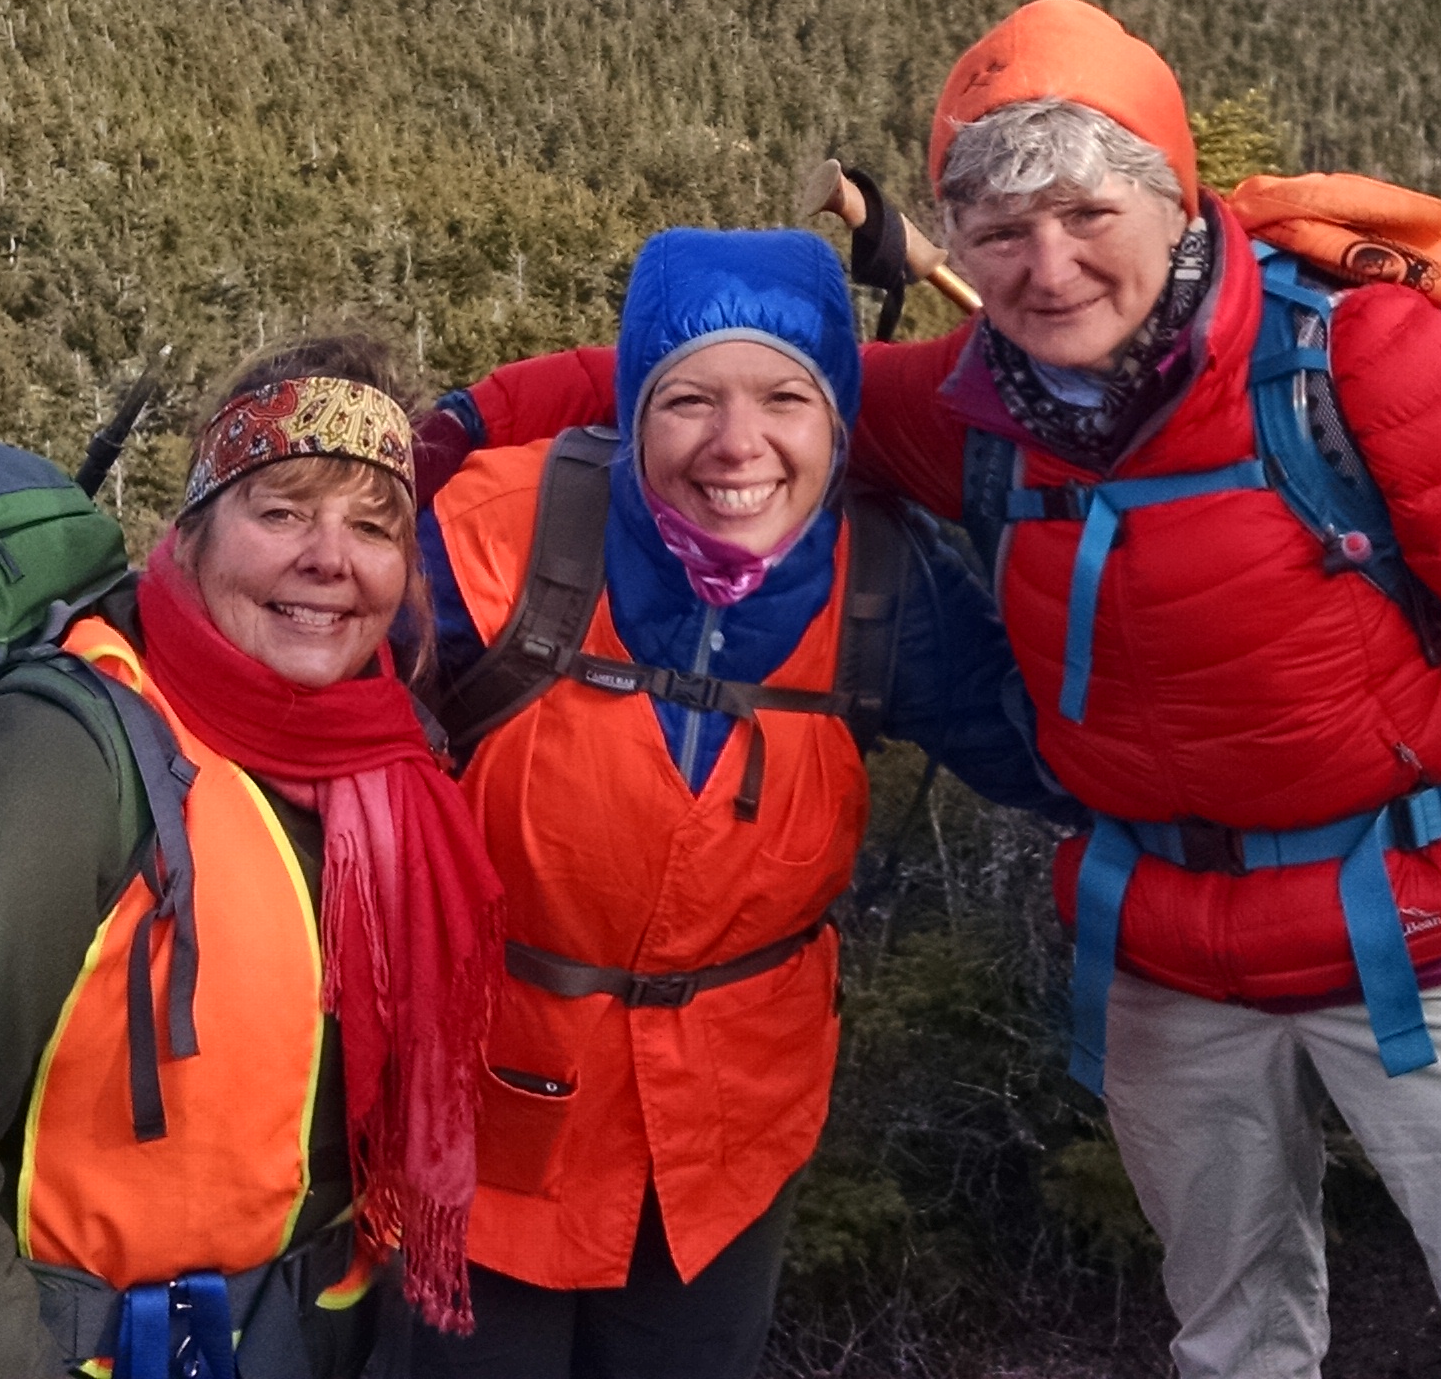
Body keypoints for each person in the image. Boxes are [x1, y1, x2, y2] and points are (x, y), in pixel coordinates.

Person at [444, 0, 1441, 1379]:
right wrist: (446, 424)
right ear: (959, 237)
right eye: (999, 232)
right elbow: (707, 369)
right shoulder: (975, 404)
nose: (1047, 270)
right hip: (1174, 957)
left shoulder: (1357, 368)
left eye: (1089, 213)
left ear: (1177, 197)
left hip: (1439, 930)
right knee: (1234, 1346)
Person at [403, 229, 1055, 1379]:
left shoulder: (881, 581)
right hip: (479, 1116)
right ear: (631, 409)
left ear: (839, 418)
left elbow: (1050, 757)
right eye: (689, 397)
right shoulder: (494, 534)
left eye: (785, 397)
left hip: (726, 1131)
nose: (737, 444)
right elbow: (305, 700)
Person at [0, 340, 506, 1379]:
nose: (331, 557)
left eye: (373, 526)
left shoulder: (384, 760)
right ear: (191, 531)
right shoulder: (58, 764)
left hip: (300, 1334)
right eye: (282, 511)